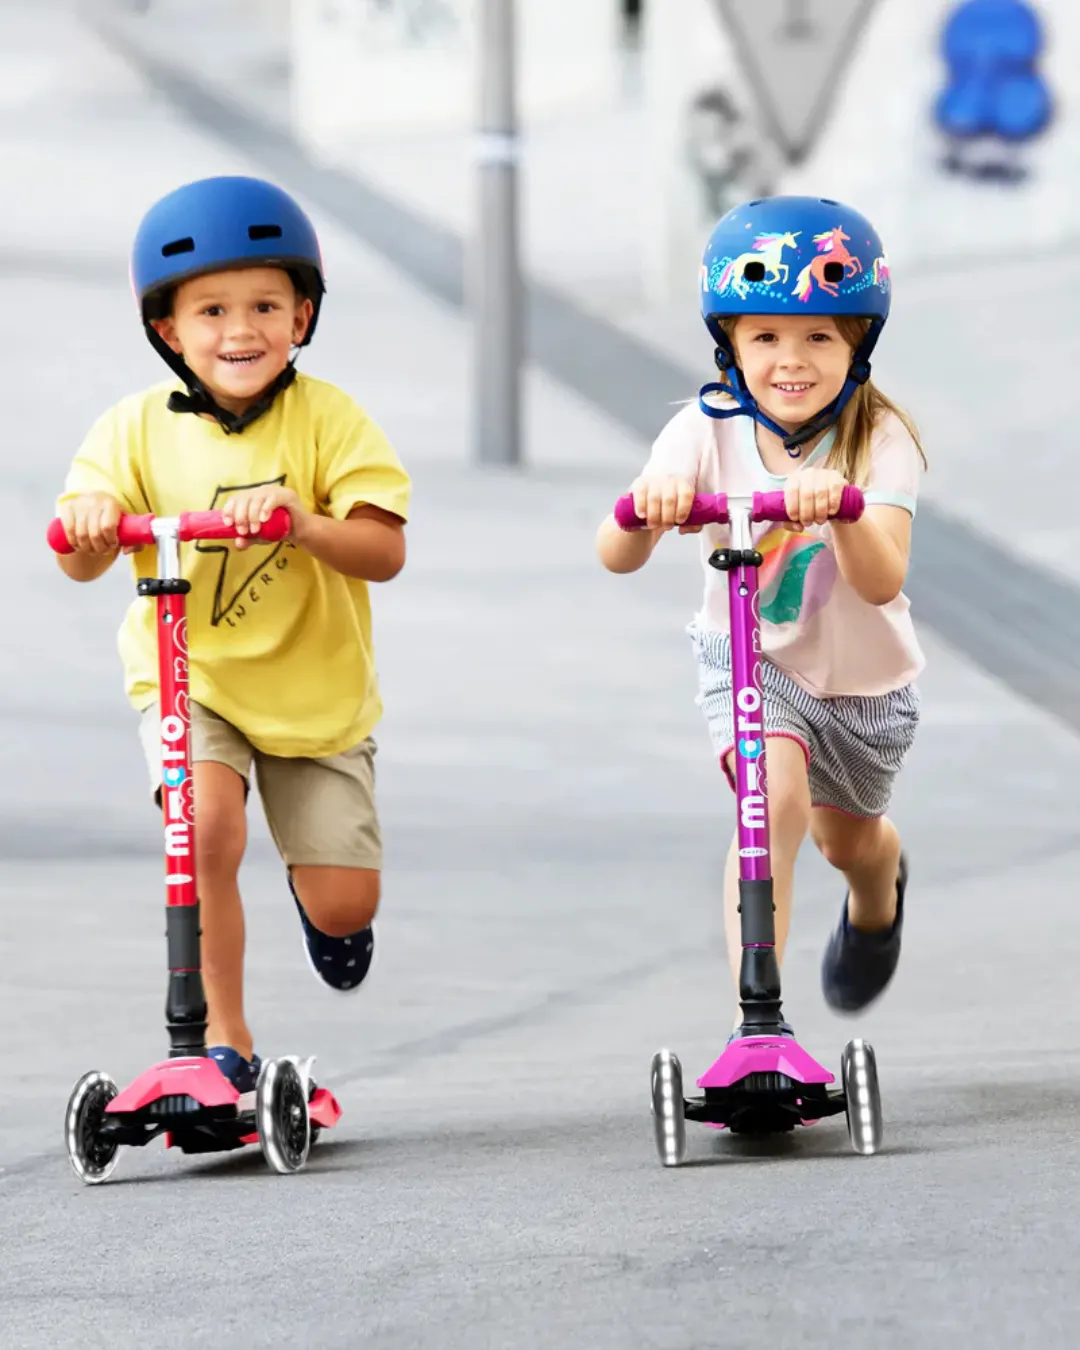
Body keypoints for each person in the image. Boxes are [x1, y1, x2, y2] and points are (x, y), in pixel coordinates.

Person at [54, 175, 412, 1091]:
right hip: (191, 679)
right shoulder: (132, 429)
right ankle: (225, 1039)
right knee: (203, 829)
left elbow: (383, 551)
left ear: (302, 316)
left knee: (343, 905)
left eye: (264, 306)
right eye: (211, 311)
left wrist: (304, 522)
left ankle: (323, 904)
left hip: (315, 696)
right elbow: (79, 558)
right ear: (169, 331)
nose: (240, 330)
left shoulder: (330, 419)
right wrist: (91, 524)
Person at [596, 195, 926, 1024]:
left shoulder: (879, 438)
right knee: (771, 801)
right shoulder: (702, 430)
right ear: (730, 344)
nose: (791, 360)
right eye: (766, 337)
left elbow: (882, 580)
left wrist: (843, 507)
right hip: (753, 659)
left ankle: (878, 895)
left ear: (859, 344)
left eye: (819, 337)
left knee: (846, 841)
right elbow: (616, 553)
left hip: (863, 684)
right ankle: (758, 1019)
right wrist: (648, 504)